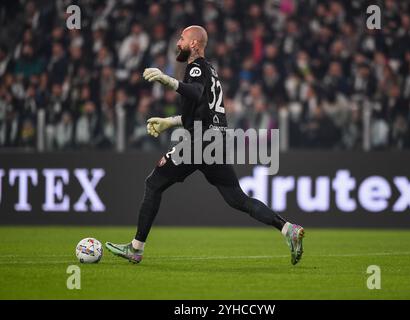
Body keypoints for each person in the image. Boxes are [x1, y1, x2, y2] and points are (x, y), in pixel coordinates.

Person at [105, 26, 305, 265]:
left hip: (199, 141)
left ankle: (136, 249)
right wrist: (170, 121)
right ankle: (287, 229)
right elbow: (204, 109)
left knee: (153, 183)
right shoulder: (210, 70)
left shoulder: (196, 67)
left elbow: (196, 92)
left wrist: (166, 79)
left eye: (181, 38)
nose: (178, 42)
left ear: (195, 44)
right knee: (238, 199)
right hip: (215, 141)